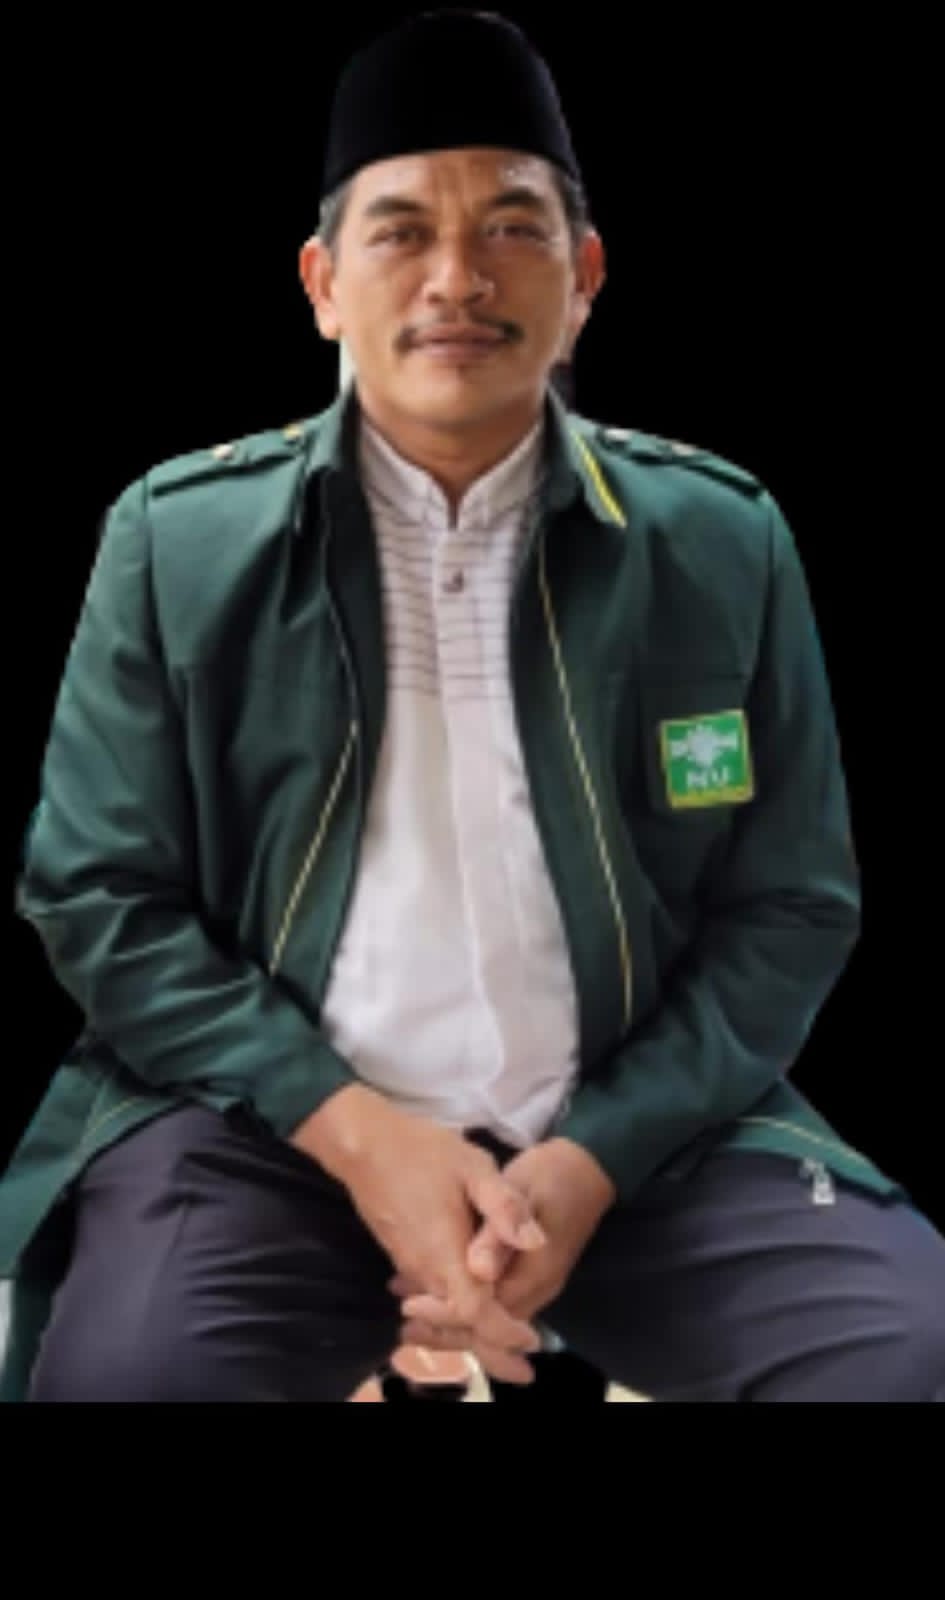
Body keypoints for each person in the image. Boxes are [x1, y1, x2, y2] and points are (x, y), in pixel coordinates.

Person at [2, 9, 944, 1404]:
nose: (457, 278)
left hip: (641, 1145)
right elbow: (98, 895)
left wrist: (592, 1156)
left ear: (585, 275)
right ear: (323, 283)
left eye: (511, 228)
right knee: (130, 1378)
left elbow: (791, 904)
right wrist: (358, 1134)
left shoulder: (718, 539)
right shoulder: (177, 543)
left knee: (913, 1354)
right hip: (267, 1138)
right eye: (401, 232)